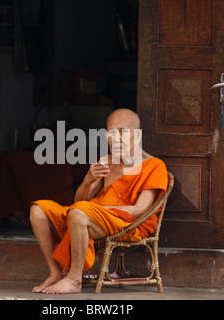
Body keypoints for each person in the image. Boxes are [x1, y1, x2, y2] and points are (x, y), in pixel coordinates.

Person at [30, 109, 168, 294]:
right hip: (91, 216)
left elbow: (140, 209)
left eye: (123, 131)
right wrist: (88, 180)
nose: (116, 138)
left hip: (126, 222)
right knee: (38, 209)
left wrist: (99, 210)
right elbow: (78, 201)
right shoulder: (106, 161)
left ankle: (73, 279)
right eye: (111, 132)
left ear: (137, 135)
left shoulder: (154, 165)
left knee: (79, 213)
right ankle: (55, 272)